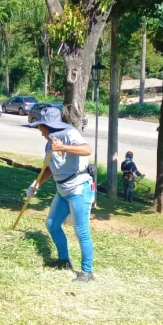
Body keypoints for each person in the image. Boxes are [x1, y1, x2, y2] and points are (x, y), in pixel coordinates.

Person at [25, 107, 96, 283]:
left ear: (47, 125)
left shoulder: (69, 133)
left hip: (79, 188)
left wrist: (63, 147)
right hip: (63, 189)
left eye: (40, 126)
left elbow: (87, 150)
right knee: (52, 224)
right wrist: (36, 184)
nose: (39, 130)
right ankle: (64, 260)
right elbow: (48, 169)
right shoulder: (49, 143)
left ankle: (87, 272)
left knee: (81, 231)